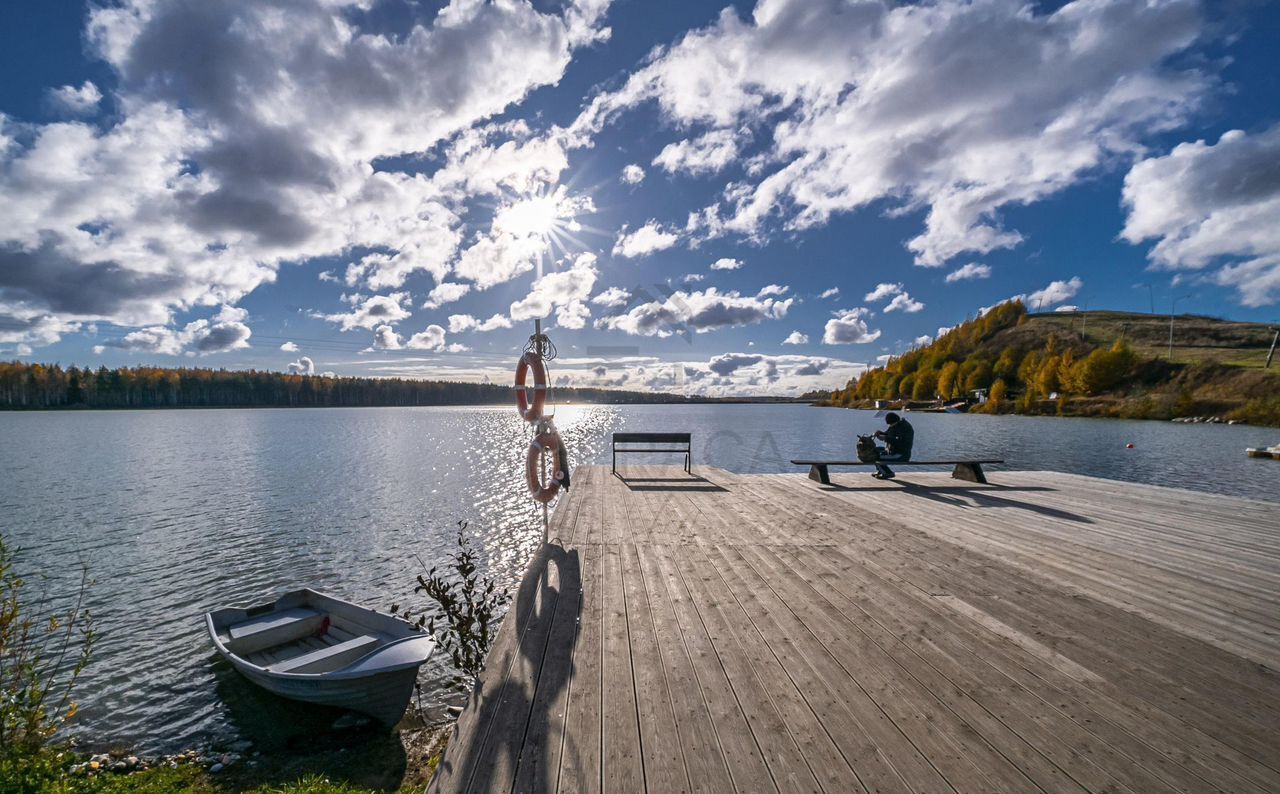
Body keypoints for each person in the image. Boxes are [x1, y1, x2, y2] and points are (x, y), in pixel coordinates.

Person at [872, 412, 913, 479]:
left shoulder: (905, 428)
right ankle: (881, 470)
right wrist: (880, 433)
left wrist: (885, 438)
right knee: (873, 451)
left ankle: (887, 473)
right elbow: (888, 434)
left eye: (891, 424)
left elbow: (900, 442)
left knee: (875, 457)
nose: (890, 426)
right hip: (892, 451)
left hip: (901, 454)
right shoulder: (895, 424)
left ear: (895, 421)